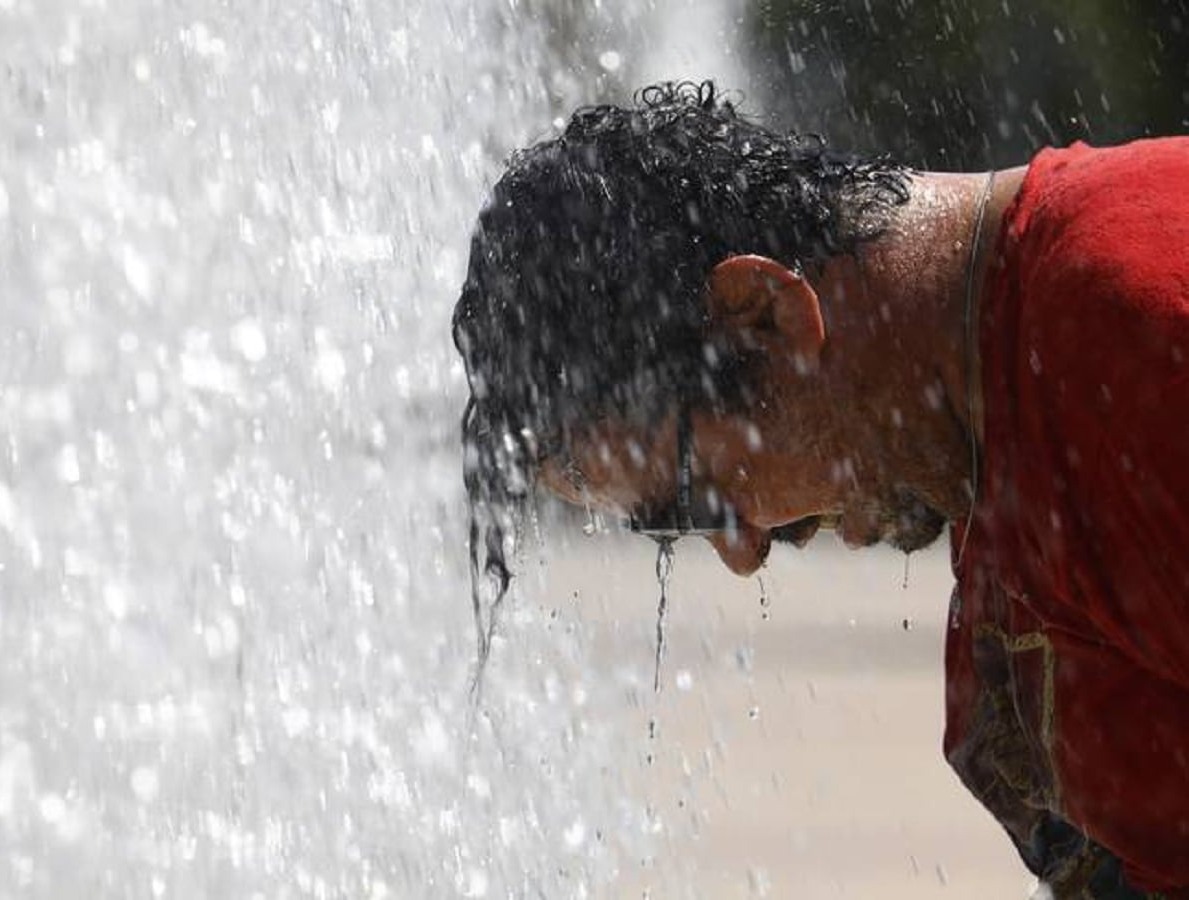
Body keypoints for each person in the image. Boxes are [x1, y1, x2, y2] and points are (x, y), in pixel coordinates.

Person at [452, 81, 1189, 897]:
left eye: (691, 501)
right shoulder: (1013, 442)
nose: (741, 550)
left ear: (766, 314)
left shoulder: (1129, 340)